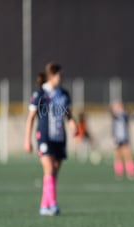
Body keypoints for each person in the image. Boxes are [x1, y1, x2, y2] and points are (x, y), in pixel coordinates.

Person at [24, 63, 77, 216]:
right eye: (59, 75)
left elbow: (68, 114)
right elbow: (30, 118)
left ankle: (44, 205)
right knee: (49, 169)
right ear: (52, 75)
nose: (61, 78)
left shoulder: (64, 94)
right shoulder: (39, 94)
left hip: (59, 137)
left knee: (54, 172)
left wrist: (73, 125)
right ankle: (52, 204)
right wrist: (26, 139)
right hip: (45, 137)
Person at [110, 100, 134, 180]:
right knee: (117, 156)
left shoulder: (124, 114)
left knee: (128, 155)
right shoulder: (114, 115)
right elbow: (112, 113)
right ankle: (119, 172)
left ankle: (131, 172)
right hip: (117, 138)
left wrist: (121, 110)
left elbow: (127, 117)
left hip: (124, 137)